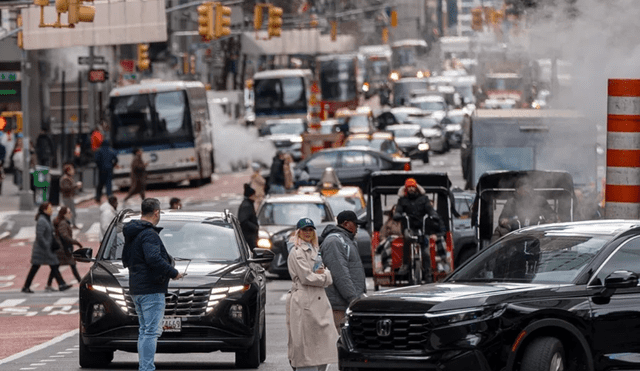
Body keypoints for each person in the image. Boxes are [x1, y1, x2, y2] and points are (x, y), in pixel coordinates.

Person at [121, 198, 183, 371]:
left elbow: (126, 258)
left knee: (144, 330)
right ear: (156, 212)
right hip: (151, 289)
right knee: (151, 332)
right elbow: (153, 258)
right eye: (160, 212)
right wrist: (174, 273)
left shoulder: (133, 233)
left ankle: (144, 366)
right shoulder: (149, 234)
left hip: (137, 287)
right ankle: (147, 368)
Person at [286, 218, 338, 371]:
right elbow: (306, 277)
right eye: (304, 230)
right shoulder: (297, 252)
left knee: (323, 340)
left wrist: (324, 275)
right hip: (304, 300)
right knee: (305, 341)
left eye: (310, 230)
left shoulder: (315, 249)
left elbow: (321, 270)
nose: (307, 233)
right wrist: (326, 277)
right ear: (298, 232)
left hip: (318, 299)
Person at [319, 210, 367, 332]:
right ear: (346, 224)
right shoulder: (335, 241)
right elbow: (340, 274)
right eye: (355, 224)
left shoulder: (345, 240)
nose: (357, 228)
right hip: (339, 305)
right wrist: (353, 299)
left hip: (345, 304)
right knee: (339, 342)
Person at [393, 178, 444, 275]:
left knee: (425, 250)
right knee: (407, 241)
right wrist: (398, 215)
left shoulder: (424, 199)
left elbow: (429, 209)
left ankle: (428, 270)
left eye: (413, 187)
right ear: (406, 189)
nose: (411, 189)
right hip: (409, 227)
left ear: (416, 188)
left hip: (422, 228)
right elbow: (398, 211)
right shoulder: (402, 200)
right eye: (409, 187)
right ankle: (406, 265)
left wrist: (433, 215)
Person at [21, 202, 72, 293]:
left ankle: (61, 284)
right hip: (42, 250)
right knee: (43, 266)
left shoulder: (46, 219)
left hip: (46, 249)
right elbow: (39, 236)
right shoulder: (42, 220)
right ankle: (61, 284)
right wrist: (46, 245)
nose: (51, 210)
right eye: (49, 208)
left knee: (53, 265)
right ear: (44, 210)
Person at [493, 179, 559, 241]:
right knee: (499, 231)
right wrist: (505, 221)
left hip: (538, 235)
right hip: (514, 236)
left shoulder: (540, 200)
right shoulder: (511, 202)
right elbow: (502, 220)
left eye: (528, 187)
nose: (527, 190)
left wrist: (551, 220)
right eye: (524, 188)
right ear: (517, 190)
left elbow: (551, 215)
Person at [47, 206, 83, 290]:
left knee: (56, 266)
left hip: (63, 247)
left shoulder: (64, 222)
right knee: (71, 265)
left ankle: (49, 284)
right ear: (64, 214)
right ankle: (81, 283)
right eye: (69, 212)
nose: (70, 214)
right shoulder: (63, 223)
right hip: (63, 248)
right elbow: (65, 236)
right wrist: (76, 242)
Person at [59, 163, 83, 229]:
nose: (73, 171)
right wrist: (76, 186)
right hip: (67, 197)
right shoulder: (65, 178)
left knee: (71, 211)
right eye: (72, 169)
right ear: (68, 170)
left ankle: (71, 224)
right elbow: (66, 188)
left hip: (68, 197)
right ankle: (70, 225)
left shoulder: (68, 178)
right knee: (70, 212)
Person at [238, 184, 259, 250]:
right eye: (254, 195)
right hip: (249, 235)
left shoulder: (248, 204)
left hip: (249, 234)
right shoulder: (247, 206)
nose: (255, 197)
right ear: (251, 196)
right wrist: (255, 227)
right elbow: (243, 220)